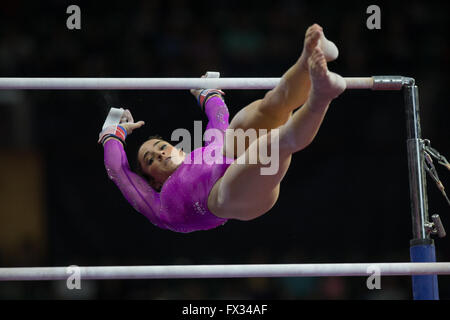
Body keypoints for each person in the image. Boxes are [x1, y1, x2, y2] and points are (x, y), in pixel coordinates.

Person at [99, 24, 346, 233]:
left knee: (268, 107)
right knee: (270, 147)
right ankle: (321, 97)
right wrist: (113, 134)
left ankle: (309, 57)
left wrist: (208, 93)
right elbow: (118, 172)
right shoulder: (160, 204)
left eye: (161, 147)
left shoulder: (210, 147)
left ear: (180, 150)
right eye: (150, 159)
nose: (161, 153)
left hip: (229, 159)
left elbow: (218, 116)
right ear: (152, 182)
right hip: (228, 199)